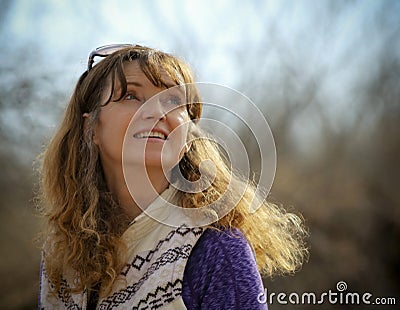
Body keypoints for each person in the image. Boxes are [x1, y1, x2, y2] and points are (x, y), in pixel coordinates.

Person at [37, 44, 308, 309]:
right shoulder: (62, 253)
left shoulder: (215, 248)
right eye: (131, 95)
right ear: (91, 128)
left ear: (188, 137)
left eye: (173, 101)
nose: (156, 111)